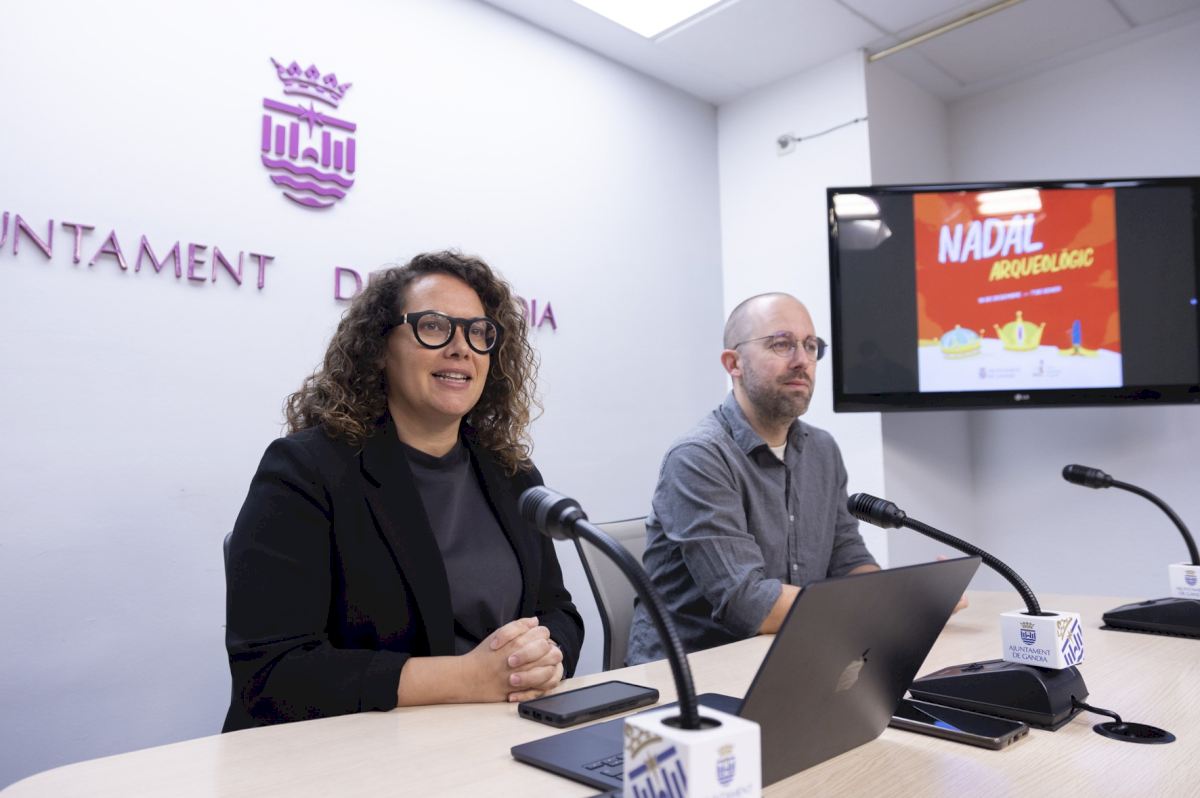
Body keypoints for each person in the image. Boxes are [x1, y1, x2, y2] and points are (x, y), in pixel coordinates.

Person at [223, 251, 583, 731]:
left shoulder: (512, 474)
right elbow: (274, 673)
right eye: (434, 327)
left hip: (494, 734)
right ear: (378, 348)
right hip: (351, 750)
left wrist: (544, 659)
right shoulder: (305, 470)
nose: (461, 349)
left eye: (479, 333)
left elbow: (557, 611)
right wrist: (465, 679)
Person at [626, 292, 881, 664]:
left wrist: (900, 600)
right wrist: (870, 606)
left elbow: (848, 558)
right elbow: (748, 603)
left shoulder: (822, 450)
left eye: (811, 346)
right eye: (782, 344)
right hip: (693, 676)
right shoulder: (698, 457)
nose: (802, 361)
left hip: (789, 656)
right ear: (734, 363)